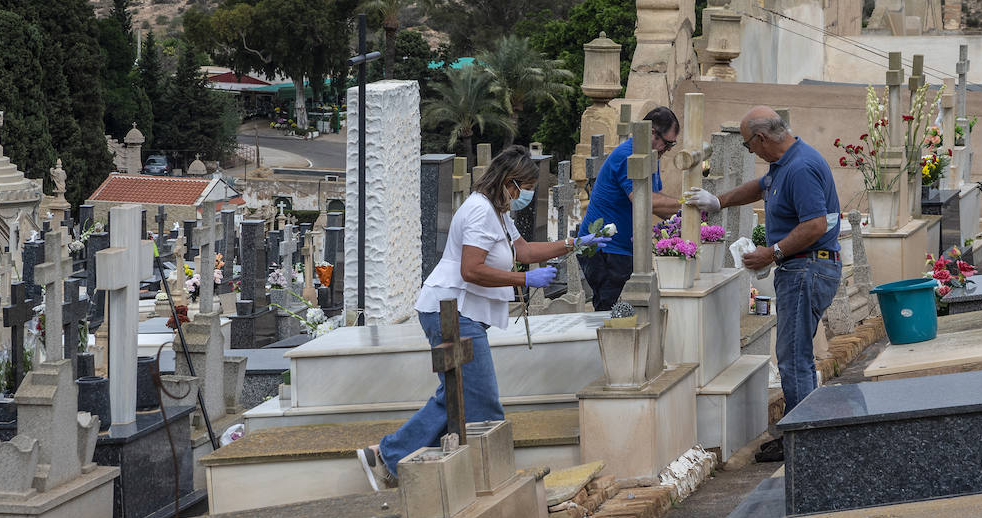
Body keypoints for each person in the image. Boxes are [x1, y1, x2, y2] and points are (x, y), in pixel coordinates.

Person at [358, 145, 611, 489]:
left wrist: (573, 243)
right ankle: (488, 479)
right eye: (526, 186)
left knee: (456, 396)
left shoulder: (497, 211)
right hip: (450, 309)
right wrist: (524, 279)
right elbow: (471, 269)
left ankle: (387, 456)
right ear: (509, 183)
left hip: (460, 310)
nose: (528, 193)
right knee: (483, 402)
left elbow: (522, 250)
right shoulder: (478, 211)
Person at [684, 106, 841, 462]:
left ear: (762, 138)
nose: (750, 151)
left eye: (748, 145)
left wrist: (772, 253)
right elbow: (762, 186)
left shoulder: (799, 168)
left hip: (806, 270)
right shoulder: (788, 161)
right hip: (804, 269)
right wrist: (718, 201)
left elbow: (815, 225)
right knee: (793, 355)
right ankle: (800, 434)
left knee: (793, 357)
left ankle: (802, 441)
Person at [577, 107, 683, 311]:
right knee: (611, 312)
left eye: (672, 145)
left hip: (620, 249)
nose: (667, 150)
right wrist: (687, 202)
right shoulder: (629, 155)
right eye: (667, 143)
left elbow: (657, 204)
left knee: (622, 311)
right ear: (652, 132)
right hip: (603, 248)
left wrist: (684, 218)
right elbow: (645, 200)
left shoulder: (649, 156)